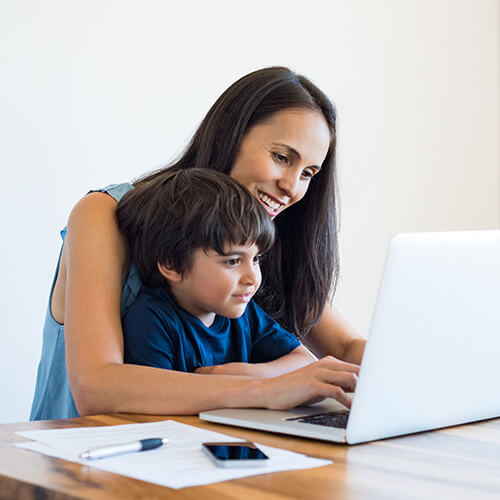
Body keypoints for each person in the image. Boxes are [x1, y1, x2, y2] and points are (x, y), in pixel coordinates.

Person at [30, 66, 365, 421]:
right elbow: (96, 387)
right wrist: (266, 389)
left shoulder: (261, 240)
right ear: (229, 136)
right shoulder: (106, 214)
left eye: (308, 174)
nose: (293, 188)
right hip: (76, 463)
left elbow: (343, 348)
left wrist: (415, 370)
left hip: (187, 457)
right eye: (282, 157)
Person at [117, 168, 316, 383]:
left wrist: (249, 375)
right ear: (172, 264)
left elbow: (304, 361)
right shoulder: (151, 319)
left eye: (256, 259)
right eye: (233, 261)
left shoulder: (244, 312)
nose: (252, 278)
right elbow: (153, 397)